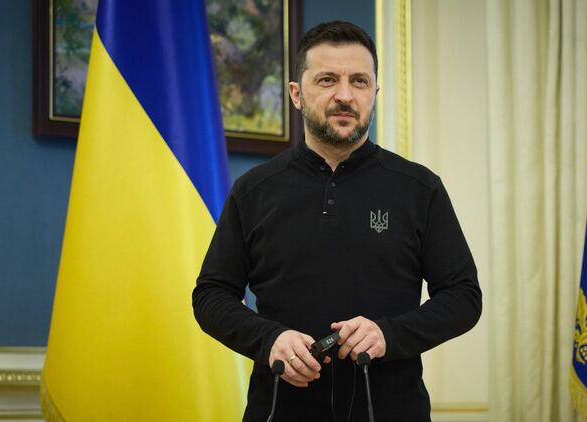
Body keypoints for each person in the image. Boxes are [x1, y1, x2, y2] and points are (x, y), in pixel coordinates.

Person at [192, 21, 482, 422]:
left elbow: (463, 297)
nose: (345, 95)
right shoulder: (253, 190)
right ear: (296, 94)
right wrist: (268, 339)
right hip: (279, 411)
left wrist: (388, 334)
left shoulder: (420, 188)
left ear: (374, 93)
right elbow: (211, 295)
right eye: (327, 80)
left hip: (392, 410)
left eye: (359, 81)